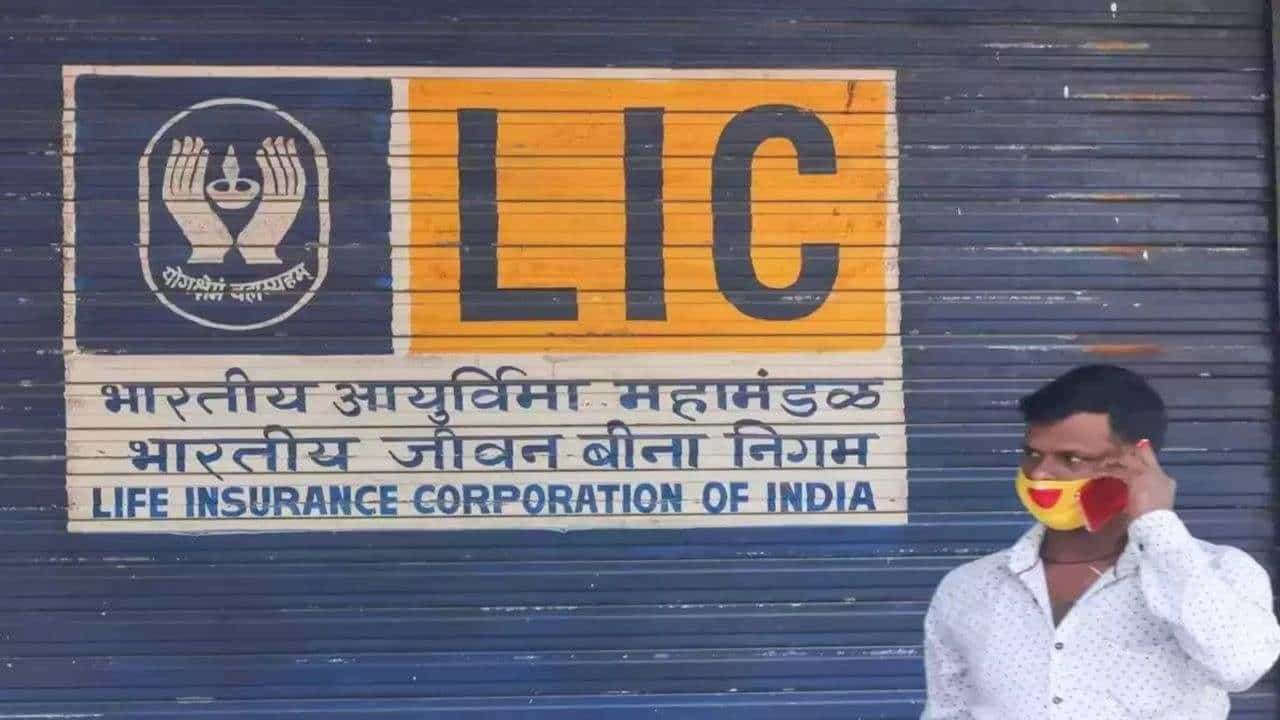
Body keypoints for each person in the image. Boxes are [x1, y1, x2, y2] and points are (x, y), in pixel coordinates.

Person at [920, 364, 1280, 718]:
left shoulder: (1221, 572)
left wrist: (1158, 525)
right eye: (1032, 454)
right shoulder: (969, 587)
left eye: (1071, 459)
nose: (1040, 474)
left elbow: (1240, 666)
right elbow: (948, 711)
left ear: (1138, 460)